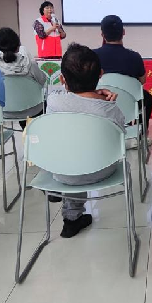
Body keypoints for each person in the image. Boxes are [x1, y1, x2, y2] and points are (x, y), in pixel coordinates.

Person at [46, 44, 127, 238]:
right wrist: (101, 99)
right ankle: (72, 217)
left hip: (62, 172)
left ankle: (71, 220)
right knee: (83, 153)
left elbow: (71, 99)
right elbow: (120, 139)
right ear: (101, 74)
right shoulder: (109, 109)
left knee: (70, 153)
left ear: (62, 79)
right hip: (102, 169)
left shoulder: (53, 102)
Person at [94, 15, 152, 131]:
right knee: (147, 98)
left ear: (102, 34)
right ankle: (141, 133)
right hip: (129, 104)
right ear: (123, 32)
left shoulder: (93, 56)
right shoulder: (135, 57)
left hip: (101, 102)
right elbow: (142, 81)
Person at [0, 27, 48, 123]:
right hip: (32, 111)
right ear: (18, 45)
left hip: (3, 111)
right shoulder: (30, 64)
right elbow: (43, 81)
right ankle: (30, 129)